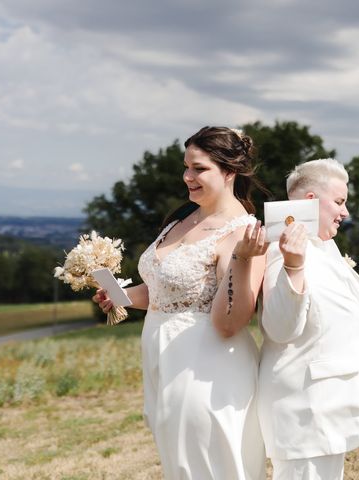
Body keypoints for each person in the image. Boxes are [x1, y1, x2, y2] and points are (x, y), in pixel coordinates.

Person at [93, 126, 268, 480]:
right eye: (186, 166)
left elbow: (230, 323)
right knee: (177, 461)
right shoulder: (182, 218)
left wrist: (241, 259)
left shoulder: (243, 233)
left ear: (230, 171)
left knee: (204, 464)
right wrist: (121, 297)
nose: (187, 176)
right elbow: (166, 291)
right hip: (161, 355)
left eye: (199, 168)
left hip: (206, 365)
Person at [258, 158, 359, 480]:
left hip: (328, 403)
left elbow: (330, 310)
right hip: (306, 406)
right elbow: (280, 328)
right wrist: (293, 265)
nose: (345, 212)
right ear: (309, 202)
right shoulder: (282, 252)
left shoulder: (325, 247)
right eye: (339, 201)